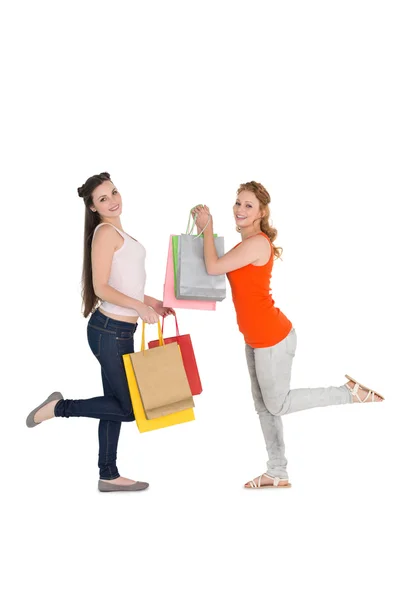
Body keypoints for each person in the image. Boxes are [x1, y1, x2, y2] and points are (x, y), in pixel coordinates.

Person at [192, 181, 384, 489]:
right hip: (255, 339)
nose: (240, 209)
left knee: (277, 405)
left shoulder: (257, 243)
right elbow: (216, 268)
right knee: (264, 407)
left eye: (248, 205)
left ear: (261, 212)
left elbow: (213, 267)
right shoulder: (247, 242)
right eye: (238, 203)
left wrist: (208, 225)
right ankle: (277, 471)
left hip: (272, 338)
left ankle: (349, 393)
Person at [26, 172, 174, 492]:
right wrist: (139, 308)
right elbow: (102, 288)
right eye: (103, 199)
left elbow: (128, 286)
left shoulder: (121, 234)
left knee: (114, 403)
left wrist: (154, 304)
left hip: (119, 331)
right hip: (110, 331)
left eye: (114, 192)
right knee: (128, 409)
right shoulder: (105, 233)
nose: (112, 200)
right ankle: (59, 408)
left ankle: (108, 473)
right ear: (93, 208)